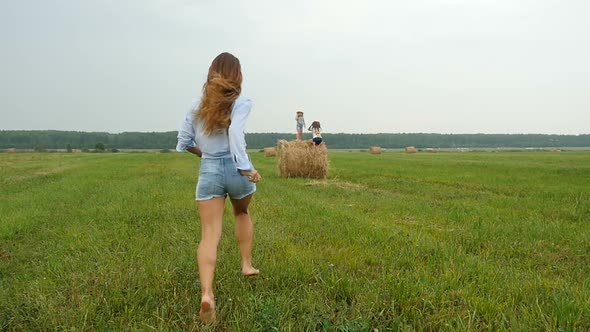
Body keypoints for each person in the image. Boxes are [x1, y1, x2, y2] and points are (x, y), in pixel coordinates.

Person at [176, 52, 261, 324]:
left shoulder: (196, 106)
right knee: (241, 213)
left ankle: (208, 294)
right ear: (238, 76)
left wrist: (206, 156)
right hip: (237, 170)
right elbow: (236, 133)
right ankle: (246, 264)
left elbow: (183, 141)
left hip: (210, 169)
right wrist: (245, 166)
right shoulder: (242, 102)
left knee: (209, 235)